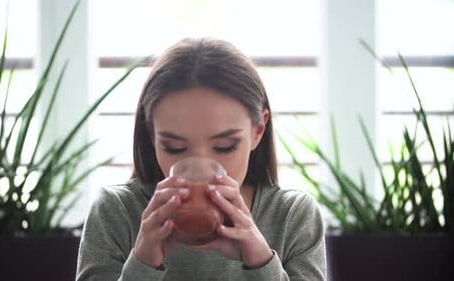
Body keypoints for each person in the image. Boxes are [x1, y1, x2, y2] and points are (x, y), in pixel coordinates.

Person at [75, 38, 326, 281]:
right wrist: (142, 263)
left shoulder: (292, 216)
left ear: (258, 130)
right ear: (152, 136)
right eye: (174, 147)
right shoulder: (117, 211)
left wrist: (261, 261)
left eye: (225, 146)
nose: (199, 170)